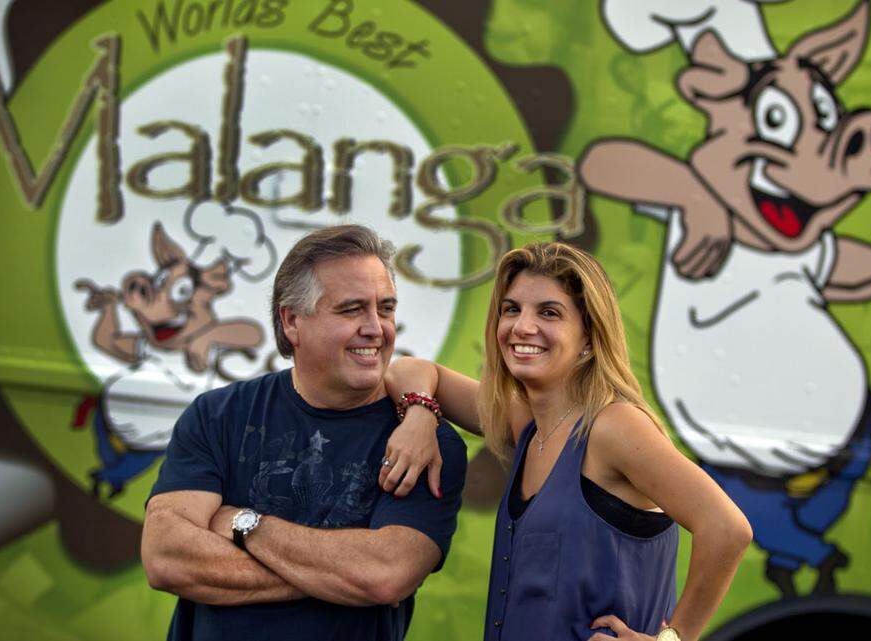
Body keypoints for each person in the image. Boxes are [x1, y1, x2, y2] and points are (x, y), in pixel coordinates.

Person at [381, 242, 750, 641]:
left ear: (589, 336)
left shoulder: (614, 427)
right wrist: (420, 415)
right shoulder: (527, 424)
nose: (522, 327)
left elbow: (727, 528)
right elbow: (409, 370)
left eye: (549, 313)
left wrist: (672, 639)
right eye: (511, 309)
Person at [141, 224, 468, 641]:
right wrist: (337, 579)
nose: (377, 328)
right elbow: (167, 558)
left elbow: (385, 576)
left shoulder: (425, 444)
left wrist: (244, 524)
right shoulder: (218, 415)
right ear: (292, 321)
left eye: (385, 309)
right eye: (352, 310)